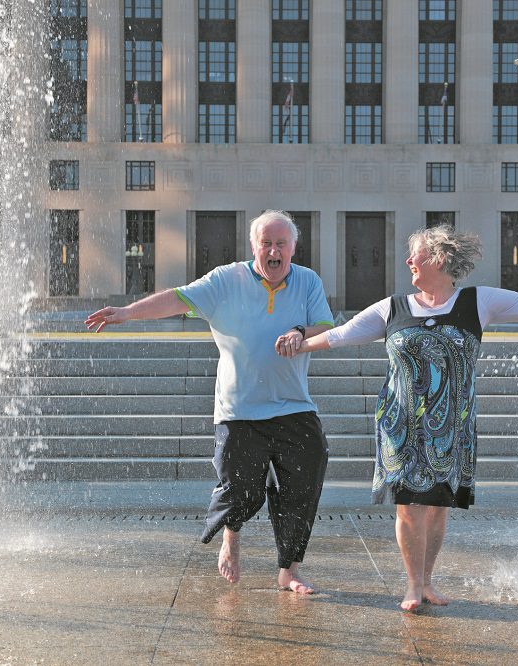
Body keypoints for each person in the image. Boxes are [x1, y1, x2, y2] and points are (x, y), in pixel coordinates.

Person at [277, 224, 518, 610]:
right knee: (409, 506)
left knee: (438, 507)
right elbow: (341, 334)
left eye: (418, 256)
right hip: (401, 425)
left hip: (452, 427)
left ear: (440, 260)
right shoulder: (392, 308)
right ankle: (412, 585)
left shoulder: (479, 302)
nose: (410, 261)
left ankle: (427, 581)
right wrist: (300, 344)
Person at [86, 210, 334, 594]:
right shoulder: (226, 280)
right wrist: (127, 313)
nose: (273, 251)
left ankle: (290, 569)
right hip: (239, 410)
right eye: (265, 244)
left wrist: (301, 332)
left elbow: (325, 326)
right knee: (241, 491)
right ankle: (231, 537)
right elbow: (177, 298)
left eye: (280, 244)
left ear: (293, 248)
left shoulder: (308, 282)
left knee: (306, 476)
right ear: (254, 247)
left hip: (292, 406)